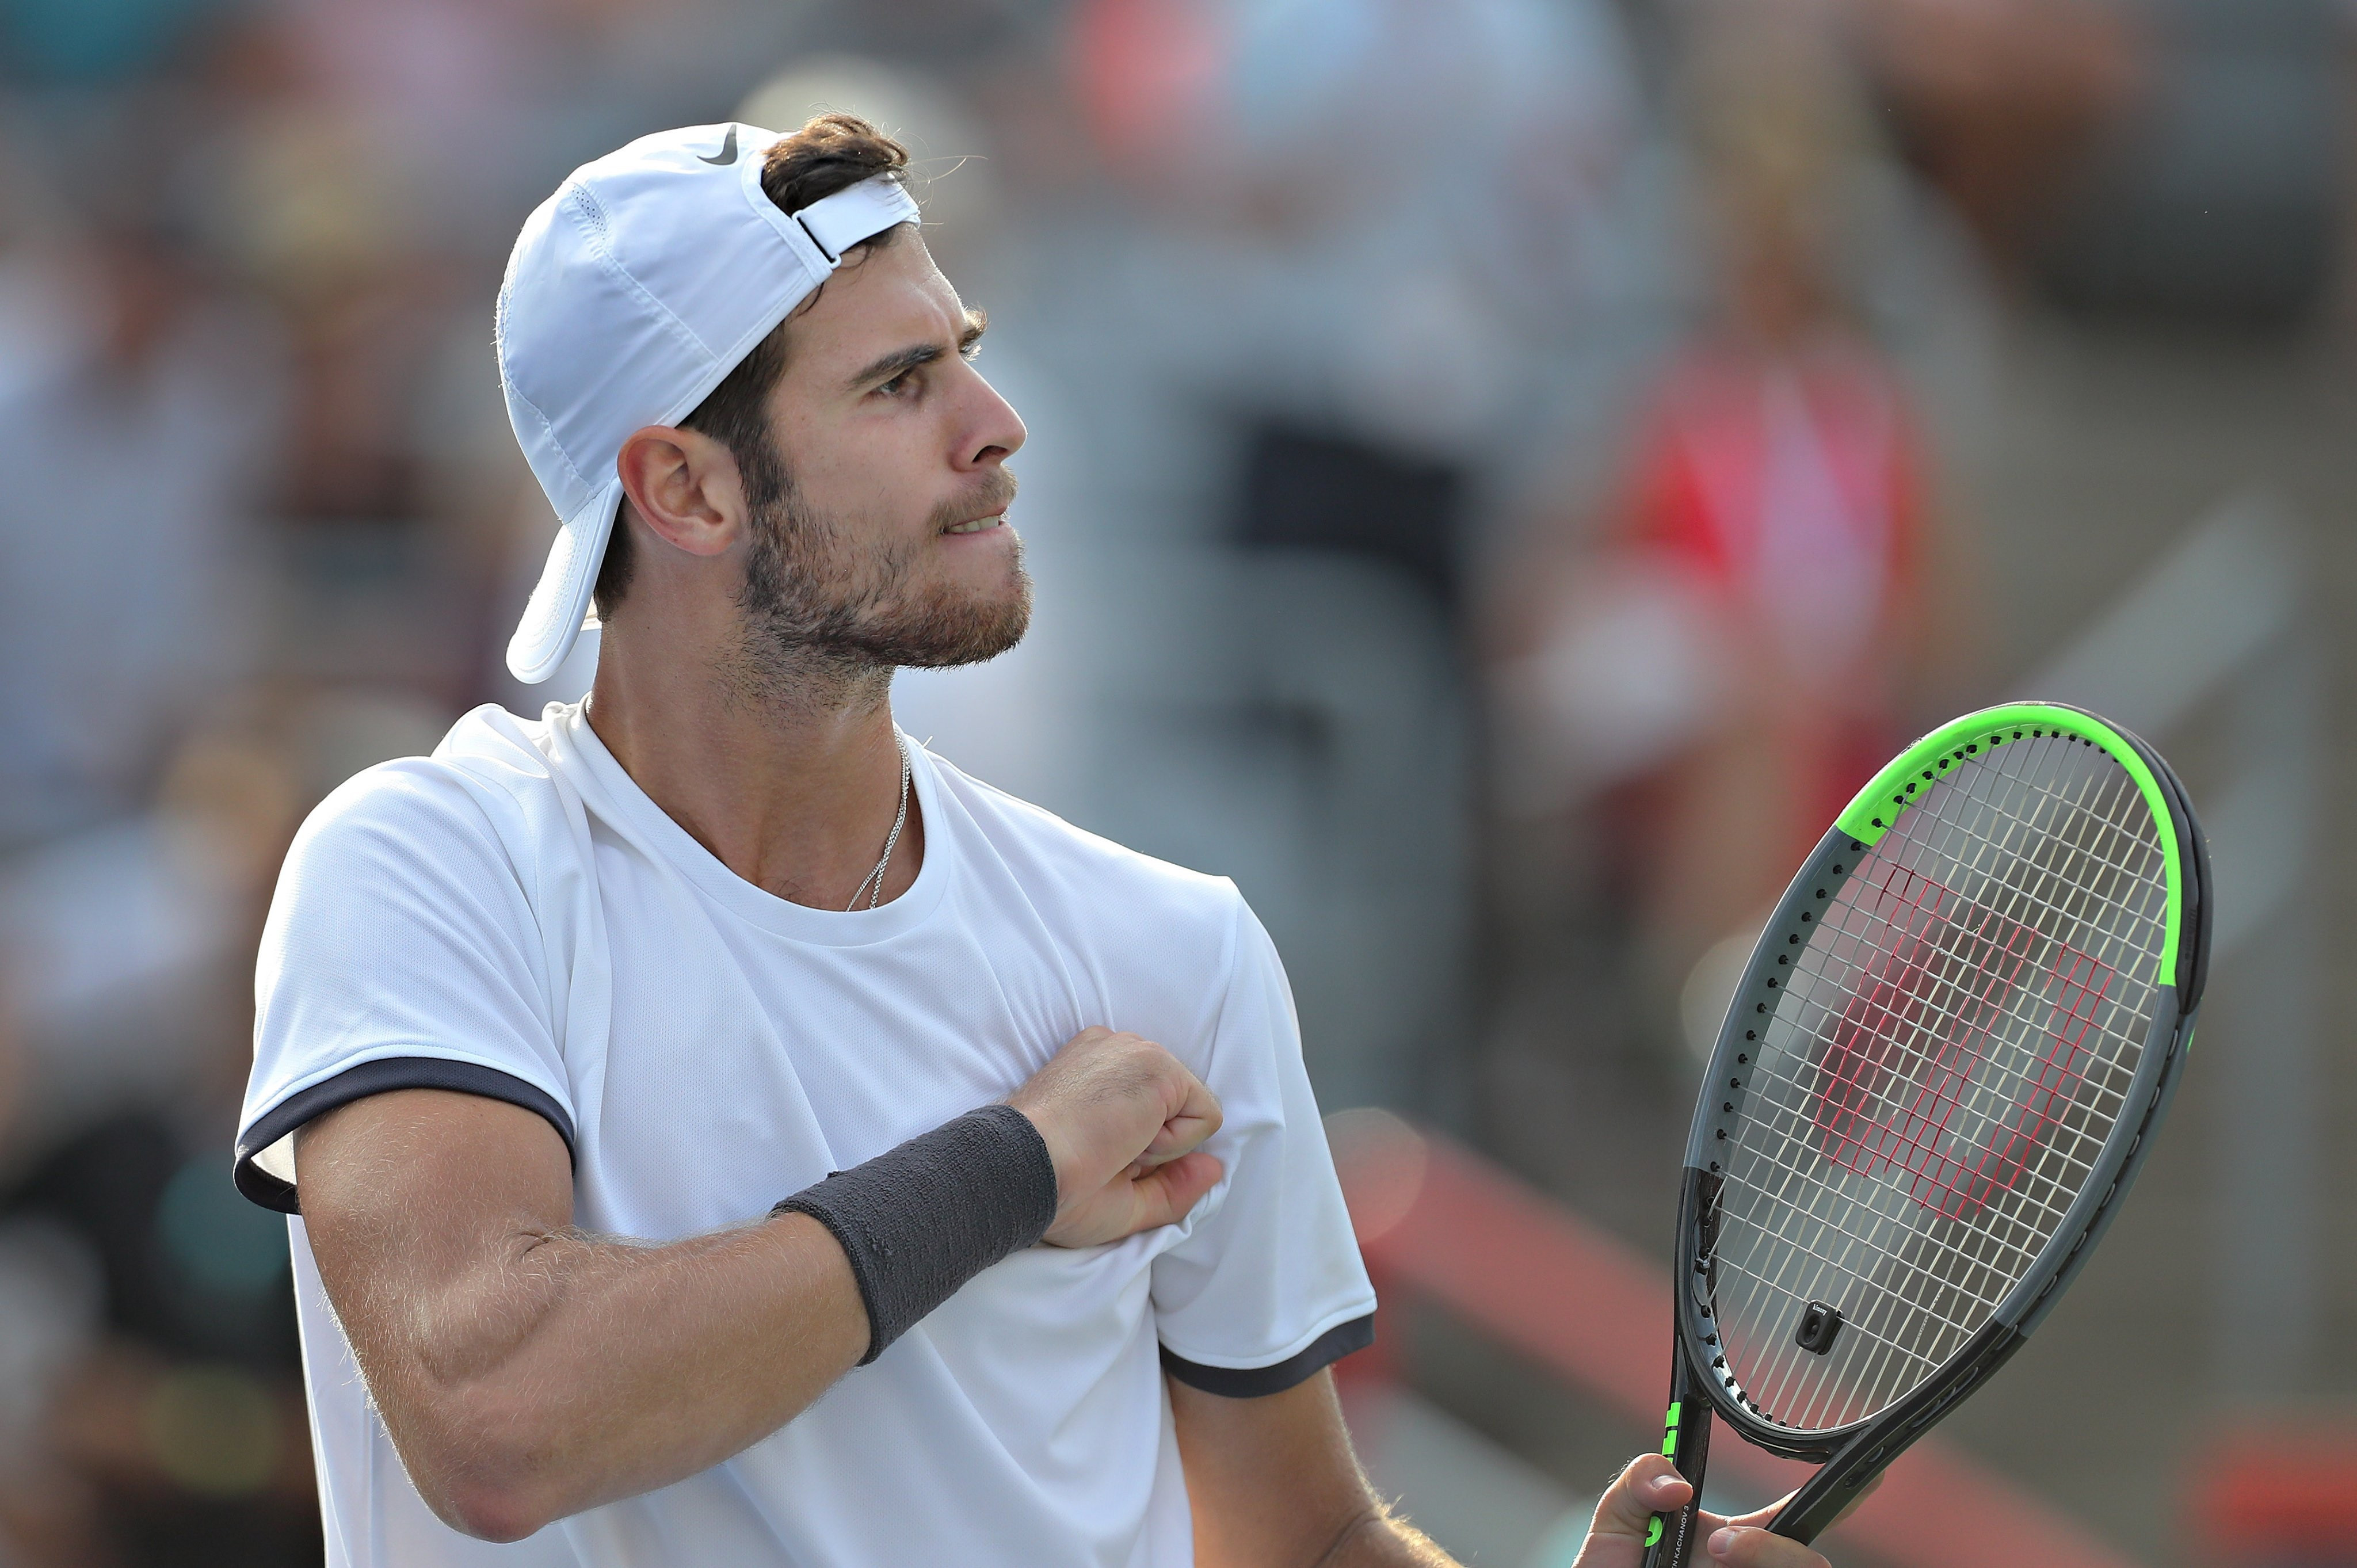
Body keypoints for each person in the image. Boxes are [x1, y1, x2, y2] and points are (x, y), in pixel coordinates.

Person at [230, 115, 1834, 1567]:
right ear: (688, 491)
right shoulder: (427, 867)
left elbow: (1306, 1543)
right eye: (897, 384)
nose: (995, 425)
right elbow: (498, 1415)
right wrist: (1012, 1168)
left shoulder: (1172, 948)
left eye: (966, 356)